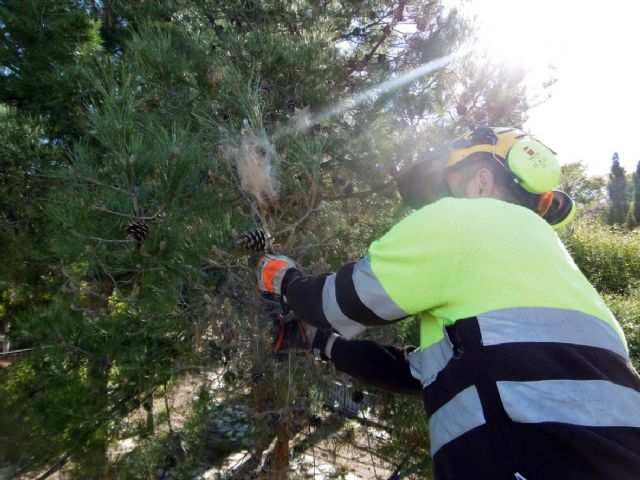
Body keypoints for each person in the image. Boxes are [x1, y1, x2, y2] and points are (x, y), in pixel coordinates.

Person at [256, 127, 640, 479]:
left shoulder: (463, 220)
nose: (440, 204)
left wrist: (283, 277)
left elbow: (334, 304)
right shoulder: (564, 277)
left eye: (449, 189)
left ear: (482, 183)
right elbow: (423, 372)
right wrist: (318, 342)